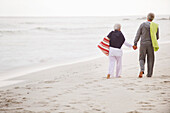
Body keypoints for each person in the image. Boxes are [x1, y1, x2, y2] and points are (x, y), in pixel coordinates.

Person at [133, 13, 159, 78]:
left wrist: (135, 43)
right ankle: (149, 74)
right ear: (153, 18)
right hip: (151, 44)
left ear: (147, 17)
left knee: (141, 58)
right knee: (151, 59)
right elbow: (157, 37)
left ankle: (142, 70)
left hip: (143, 44)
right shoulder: (155, 26)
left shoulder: (143, 25)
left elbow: (138, 34)